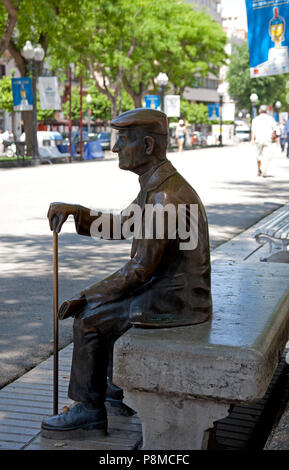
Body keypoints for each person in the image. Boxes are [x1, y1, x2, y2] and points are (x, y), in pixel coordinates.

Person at [42, 108, 212, 437]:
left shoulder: (166, 198)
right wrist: (76, 212)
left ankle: (90, 411)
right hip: (170, 291)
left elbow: (139, 271)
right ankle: (111, 389)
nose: (115, 147)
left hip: (177, 301)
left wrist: (85, 296)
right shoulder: (157, 186)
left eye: (122, 139)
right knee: (103, 309)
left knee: (90, 318)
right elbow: (122, 225)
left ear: (148, 145)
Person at [251, 104, 278, 177]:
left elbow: (253, 130)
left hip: (258, 139)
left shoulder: (255, 119)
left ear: (259, 111)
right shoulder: (270, 119)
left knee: (258, 155)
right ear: (266, 111)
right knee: (267, 156)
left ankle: (259, 168)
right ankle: (264, 171)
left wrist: (252, 139)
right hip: (267, 139)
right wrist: (274, 137)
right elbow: (275, 129)